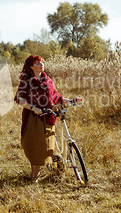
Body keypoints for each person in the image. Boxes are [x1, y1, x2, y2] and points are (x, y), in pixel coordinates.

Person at [14, 55, 81, 183]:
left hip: (48, 116)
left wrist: (69, 100)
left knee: (43, 147)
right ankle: (34, 176)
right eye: (37, 63)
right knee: (34, 146)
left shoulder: (47, 79)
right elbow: (20, 98)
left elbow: (56, 96)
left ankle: (36, 177)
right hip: (34, 117)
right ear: (31, 66)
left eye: (41, 63)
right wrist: (33, 108)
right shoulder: (26, 80)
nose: (41, 65)